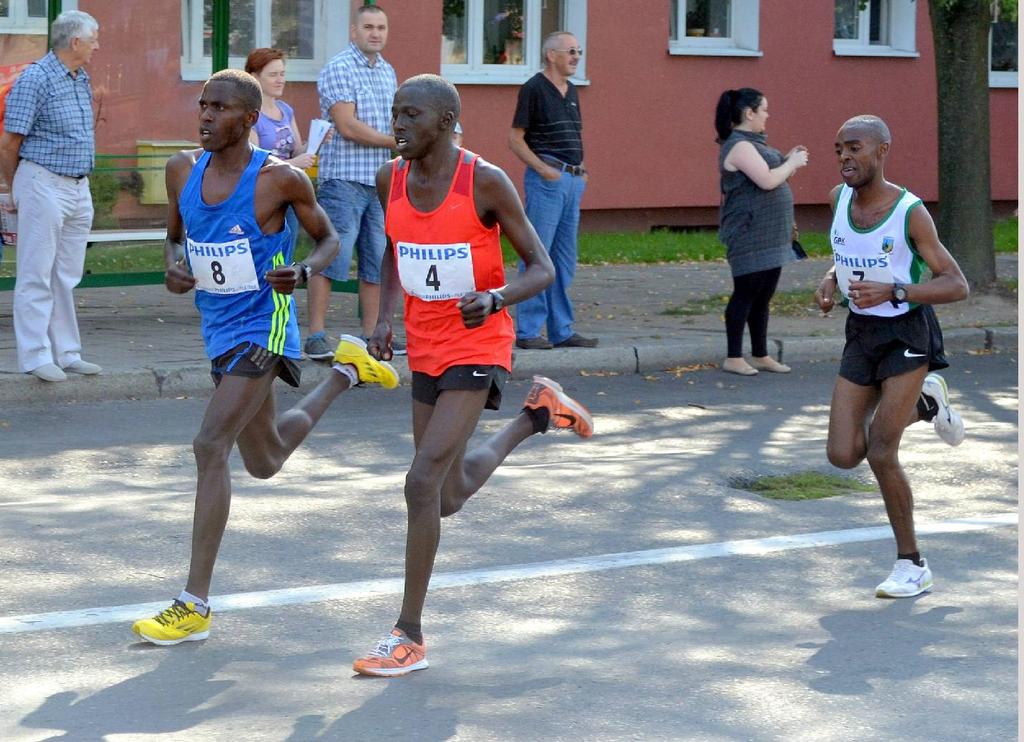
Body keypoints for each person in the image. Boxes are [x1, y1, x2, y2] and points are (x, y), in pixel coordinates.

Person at [130, 69, 400, 646]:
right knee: (266, 460)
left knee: (209, 446)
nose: (204, 115)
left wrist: (301, 270)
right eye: (202, 105)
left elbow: (328, 240)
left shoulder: (278, 180)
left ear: (249, 119)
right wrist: (175, 268)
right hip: (219, 329)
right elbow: (175, 236)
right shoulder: (183, 169)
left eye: (218, 107)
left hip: (266, 325)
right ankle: (350, 371)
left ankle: (193, 604)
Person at [352, 74, 594, 676]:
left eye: (410, 116)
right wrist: (384, 317)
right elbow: (393, 247)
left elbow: (540, 268)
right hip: (425, 345)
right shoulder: (393, 177)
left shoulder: (484, 180)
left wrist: (498, 299)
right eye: (394, 114)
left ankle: (407, 634)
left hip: (479, 339)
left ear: (445, 121)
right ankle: (540, 414)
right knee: (447, 494)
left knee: (420, 483)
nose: (398, 126)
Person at [815, 114, 968, 599]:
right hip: (860, 333)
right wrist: (831, 279)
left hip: (907, 332)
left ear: (882, 151)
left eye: (854, 148)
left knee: (882, 451)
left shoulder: (909, 211)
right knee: (843, 454)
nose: (844, 157)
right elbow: (846, 253)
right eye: (839, 149)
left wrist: (897, 290)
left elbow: (956, 284)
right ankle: (926, 403)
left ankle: (911, 564)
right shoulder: (839, 199)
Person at [0, 11, 101, 383]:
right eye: (93, 39)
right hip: (42, 182)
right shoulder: (35, 79)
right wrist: (16, 190)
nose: (97, 45)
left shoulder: (80, 77)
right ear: (75, 42)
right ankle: (35, 355)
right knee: (36, 274)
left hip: (78, 186)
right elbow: (9, 144)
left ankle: (67, 352)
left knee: (66, 275)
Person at [306, 3, 402, 360]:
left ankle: (373, 336)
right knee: (333, 256)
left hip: (379, 182)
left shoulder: (388, 71)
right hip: (344, 179)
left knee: (376, 261)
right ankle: (316, 334)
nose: (376, 33)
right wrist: (395, 143)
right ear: (353, 31)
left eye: (381, 27)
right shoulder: (339, 68)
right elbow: (346, 126)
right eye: (368, 27)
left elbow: (393, 122)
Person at [508, 31, 597, 350]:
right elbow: (515, 139)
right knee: (537, 253)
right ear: (551, 55)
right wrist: (543, 169)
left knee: (563, 257)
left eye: (579, 51)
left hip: (571, 180)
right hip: (547, 179)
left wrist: (581, 169)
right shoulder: (534, 88)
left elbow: (575, 134)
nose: (576, 56)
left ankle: (561, 329)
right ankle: (529, 330)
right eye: (570, 51)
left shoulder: (571, 90)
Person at [715, 87, 808, 376]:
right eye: (764, 109)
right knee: (746, 293)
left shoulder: (756, 144)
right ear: (749, 113)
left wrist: (788, 161)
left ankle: (760, 354)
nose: (768, 114)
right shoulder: (740, 145)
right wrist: (791, 163)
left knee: (763, 294)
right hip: (749, 233)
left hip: (770, 234)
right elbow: (767, 180)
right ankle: (733, 357)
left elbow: (773, 176)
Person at [245, 47, 317, 254]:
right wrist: (295, 164)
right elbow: (256, 161)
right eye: (273, 75)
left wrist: (316, 140)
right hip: (263, 194)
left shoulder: (285, 110)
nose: (280, 80)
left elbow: (296, 150)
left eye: (282, 74)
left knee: (286, 250)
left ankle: (282, 287)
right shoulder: (251, 114)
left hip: (289, 191)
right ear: (255, 77)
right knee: (264, 250)